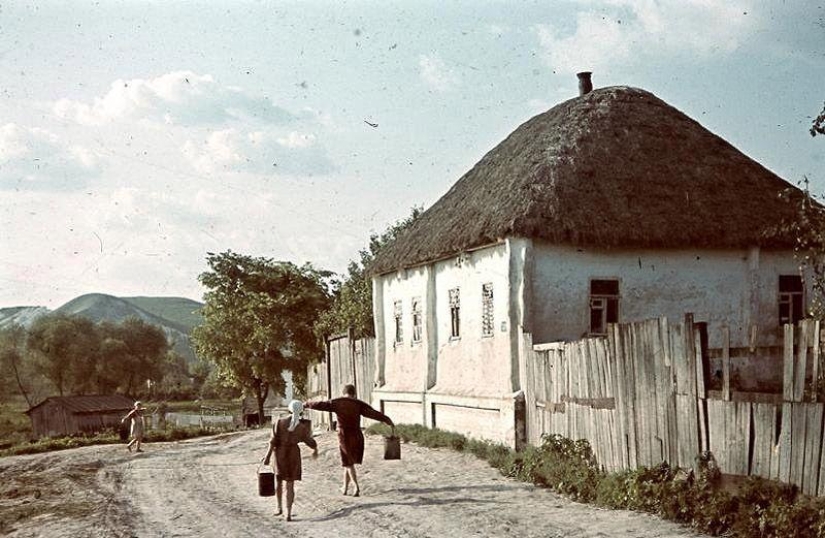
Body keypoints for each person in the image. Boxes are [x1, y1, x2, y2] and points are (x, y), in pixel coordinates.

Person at [305, 384, 394, 497]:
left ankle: (356, 486)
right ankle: (345, 488)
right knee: (347, 462)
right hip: (357, 435)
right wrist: (387, 419)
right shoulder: (358, 404)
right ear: (354, 393)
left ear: (344, 393)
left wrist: (306, 404)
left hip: (344, 435)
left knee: (347, 462)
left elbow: (319, 405)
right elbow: (373, 414)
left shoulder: (337, 402)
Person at [262, 400, 318, 521]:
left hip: (280, 454)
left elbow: (273, 441)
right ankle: (288, 512)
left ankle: (279, 507)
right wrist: (315, 448)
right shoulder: (301, 427)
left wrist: (267, 457)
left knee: (279, 481)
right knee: (290, 484)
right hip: (293, 455)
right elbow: (309, 441)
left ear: (289, 409)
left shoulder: (279, 423)